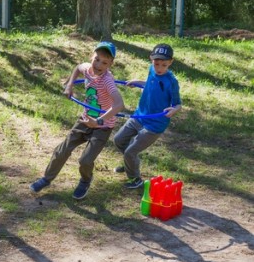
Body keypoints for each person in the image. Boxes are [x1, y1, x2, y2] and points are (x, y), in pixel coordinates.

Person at [29, 41, 124, 200]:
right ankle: (46, 178)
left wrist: (99, 121)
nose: (99, 64)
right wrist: (69, 85)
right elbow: (77, 68)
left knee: (85, 160)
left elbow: (119, 104)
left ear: (110, 64)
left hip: (102, 126)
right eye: (96, 59)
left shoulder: (107, 81)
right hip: (84, 120)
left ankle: (85, 180)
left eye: (104, 62)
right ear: (91, 57)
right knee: (62, 150)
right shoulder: (87, 68)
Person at [113, 43, 181, 189]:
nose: (159, 68)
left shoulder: (172, 82)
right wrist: (138, 82)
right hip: (139, 116)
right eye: (157, 63)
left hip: (154, 124)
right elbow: (151, 84)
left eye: (164, 64)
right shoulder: (152, 69)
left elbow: (178, 104)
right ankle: (130, 163)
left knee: (131, 151)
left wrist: (173, 110)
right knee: (118, 140)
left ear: (171, 62)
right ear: (151, 59)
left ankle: (135, 179)